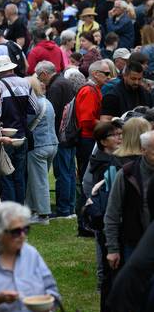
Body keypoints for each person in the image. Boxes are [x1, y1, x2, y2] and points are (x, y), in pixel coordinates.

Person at [105, 130, 154, 272]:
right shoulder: (127, 174)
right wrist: (112, 249)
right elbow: (112, 213)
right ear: (143, 150)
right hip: (135, 244)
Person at [0, 55, 38, 203]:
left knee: (6, 175)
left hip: (5, 136)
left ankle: (10, 209)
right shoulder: (26, 83)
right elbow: (35, 108)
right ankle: (20, 208)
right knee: (19, 174)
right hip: (22, 134)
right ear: (12, 67)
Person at [35, 61, 76, 218]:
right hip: (70, 134)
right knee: (70, 172)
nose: (39, 81)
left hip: (62, 136)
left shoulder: (56, 86)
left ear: (44, 74)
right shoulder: (64, 82)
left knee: (63, 173)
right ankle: (70, 208)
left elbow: (52, 113)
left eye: (39, 77)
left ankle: (64, 210)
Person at [75, 60, 111, 235]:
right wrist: (109, 127)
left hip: (91, 139)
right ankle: (84, 223)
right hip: (88, 140)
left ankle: (88, 220)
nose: (109, 76)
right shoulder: (89, 91)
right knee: (87, 181)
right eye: (106, 73)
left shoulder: (95, 90)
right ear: (95, 74)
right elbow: (87, 121)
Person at [25, 76, 58, 225]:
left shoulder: (33, 104)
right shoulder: (47, 101)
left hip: (38, 145)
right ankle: (33, 210)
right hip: (52, 144)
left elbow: (26, 122)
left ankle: (43, 215)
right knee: (38, 179)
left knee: (39, 181)